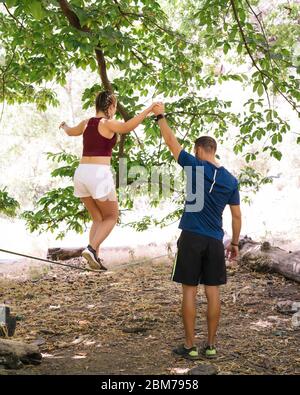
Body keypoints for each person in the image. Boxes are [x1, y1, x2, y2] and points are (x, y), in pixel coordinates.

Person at [152, 103, 242, 360]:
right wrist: (234, 243)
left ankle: (190, 346)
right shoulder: (231, 180)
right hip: (215, 241)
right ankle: (211, 345)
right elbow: (236, 215)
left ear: (200, 150)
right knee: (213, 292)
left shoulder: (195, 166)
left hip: (191, 237)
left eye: (195, 150)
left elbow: (171, 141)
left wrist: (160, 116)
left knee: (189, 291)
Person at [60, 91, 158, 270]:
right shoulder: (107, 123)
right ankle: (91, 249)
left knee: (97, 218)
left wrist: (65, 126)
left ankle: (94, 260)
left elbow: (70, 132)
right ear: (110, 106)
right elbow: (128, 126)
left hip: (81, 174)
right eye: (114, 106)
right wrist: (149, 109)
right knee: (112, 216)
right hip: (98, 173)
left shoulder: (86, 123)